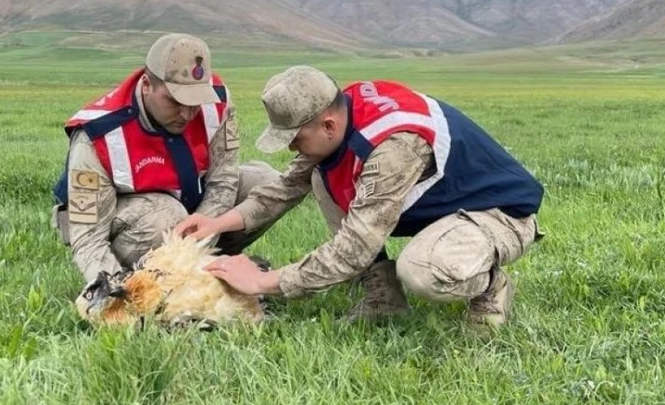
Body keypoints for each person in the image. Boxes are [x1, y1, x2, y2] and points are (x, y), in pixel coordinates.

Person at [175, 65, 545, 327]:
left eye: (295, 139)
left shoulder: (392, 149)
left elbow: (354, 248)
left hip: (496, 216)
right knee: (323, 177)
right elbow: (287, 186)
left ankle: (490, 284)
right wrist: (217, 223)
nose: (291, 150)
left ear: (328, 125)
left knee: (423, 271)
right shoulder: (340, 111)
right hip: (446, 210)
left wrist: (264, 283)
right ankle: (384, 300)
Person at [50, 33, 279, 298]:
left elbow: (223, 181)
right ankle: (145, 280)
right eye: (175, 101)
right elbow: (88, 237)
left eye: (195, 102)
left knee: (267, 184)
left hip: (191, 204)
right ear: (147, 85)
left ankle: (207, 268)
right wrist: (116, 293)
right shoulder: (97, 135)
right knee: (168, 215)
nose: (187, 113)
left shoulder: (217, 102)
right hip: (134, 220)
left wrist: (198, 247)